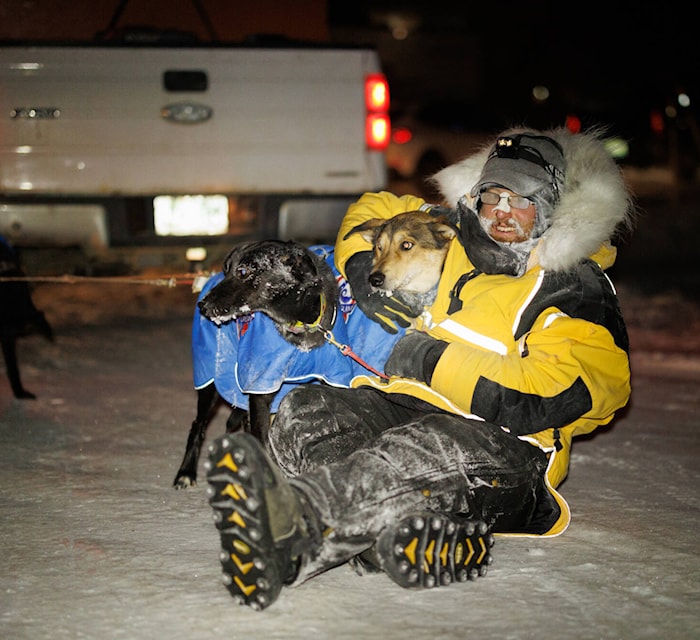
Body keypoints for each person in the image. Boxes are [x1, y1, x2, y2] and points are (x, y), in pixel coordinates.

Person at [204, 126, 634, 611]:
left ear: (553, 206)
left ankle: (299, 528)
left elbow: (568, 393)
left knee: (417, 450)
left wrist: (431, 360)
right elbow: (373, 206)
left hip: (508, 451)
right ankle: (387, 534)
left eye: (523, 200)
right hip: (408, 406)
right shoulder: (452, 234)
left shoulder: (572, 287)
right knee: (309, 408)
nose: (503, 213)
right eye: (493, 197)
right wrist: (364, 266)